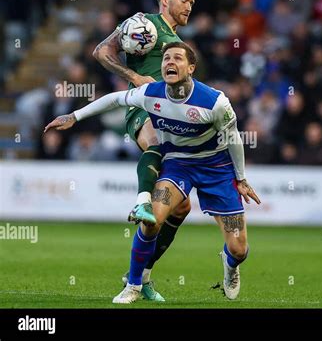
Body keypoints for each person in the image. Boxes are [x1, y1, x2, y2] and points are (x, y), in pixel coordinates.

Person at [44, 42, 261, 303]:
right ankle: (133, 284)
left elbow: (234, 138)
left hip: (216, 167)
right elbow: (114, 99)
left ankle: (230, 264)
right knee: (151, 220)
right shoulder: (150, 93)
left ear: (191, 68)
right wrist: (74, 116)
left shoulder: (215, 102)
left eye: (178, 58)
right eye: (166, 57)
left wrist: (242, 178)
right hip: (177, 165)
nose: (170, 62)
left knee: (239, 249)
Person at [91, 0, 197, 302]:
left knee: (180, 208)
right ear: (165, 0)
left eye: (192, 1)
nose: (189, 5)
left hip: (175, 116)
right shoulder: (143, 25)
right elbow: (101, 50)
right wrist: (133, 77)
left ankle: (142, 276)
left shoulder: (177, 42)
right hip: (143, 108)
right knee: (154, 143)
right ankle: (141, 201)